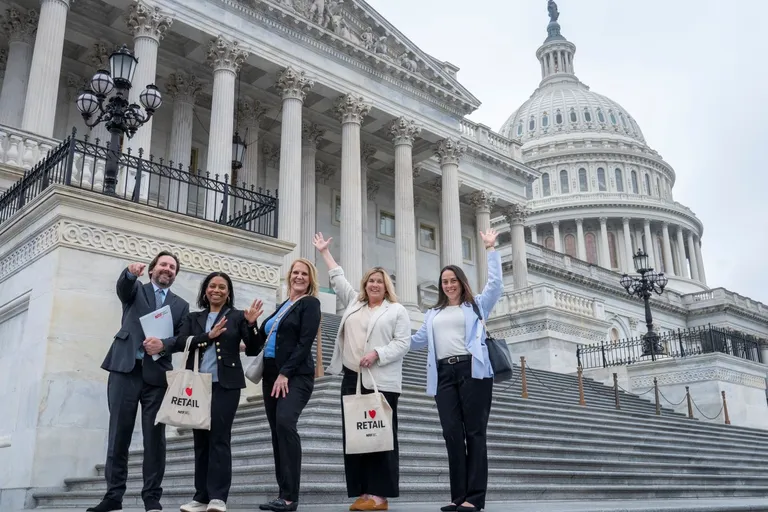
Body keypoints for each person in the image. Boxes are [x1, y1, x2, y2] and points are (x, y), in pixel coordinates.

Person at [313, 233, 411, 512]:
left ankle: (380, 496)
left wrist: (377, 354)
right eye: (370, 281)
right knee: (357, 437)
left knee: (381, 437)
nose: (374, 285)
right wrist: (324, 252)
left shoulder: (397, 311)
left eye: (379, 281)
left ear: (386, 286)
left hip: (382, 381)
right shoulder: (355, 303)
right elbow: (337, 278)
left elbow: (403, 343)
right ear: (365, 285)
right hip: (351, 378)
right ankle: (364, 493)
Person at [88, 251, 190, 512]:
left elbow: (181, 339)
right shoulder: (135, 290)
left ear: (175, 274)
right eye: (163, 265)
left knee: (155, 440)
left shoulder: (181, 305)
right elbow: (123, 288)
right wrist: (129, 273)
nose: (168, 269)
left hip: (156, 377)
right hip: (125, 370)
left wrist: (163, 345)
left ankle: (152, 498)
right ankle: (113, 496)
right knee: (118, 435)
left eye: (172, 267)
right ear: (153, 268)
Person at [410, 229, 502, 512]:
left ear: (461, 283)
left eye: (453, 281)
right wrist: (383, 344)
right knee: (451, 433)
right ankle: (457, 495)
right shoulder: (432, 314)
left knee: (475, 433)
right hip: (444, 376)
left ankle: (474, 499)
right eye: (444, 282)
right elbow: (416, 342)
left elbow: (495, 285)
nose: (448, 285)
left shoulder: (475, 306)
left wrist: (490, 249)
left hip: (473, 372)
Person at [173, 272, 265, 512]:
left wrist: (252, 324)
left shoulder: (237, 317)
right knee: (200, 441)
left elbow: (254, 349)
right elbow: (181, 341)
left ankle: (218, 498)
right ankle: (201, 496)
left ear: (228, 291)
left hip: (226, 385)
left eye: (222, 287)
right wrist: (207, 337)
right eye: (212, 286)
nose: (217, 290)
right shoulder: (194, 318)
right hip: (197, 386)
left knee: (219, 438)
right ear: (205, 291)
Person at [247, 258, 322, 512]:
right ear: (289, 276)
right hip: (270, 376)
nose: (299, 277)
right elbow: (257, 344)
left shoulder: (310, 304)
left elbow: (304, 342)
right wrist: (251, 323)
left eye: (304, 273)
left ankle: (290, 496)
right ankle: (282, 494)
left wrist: (286, 373)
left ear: (310, 279)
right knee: (277, 431)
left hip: (295, 376)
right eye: (295, 273)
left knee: (285, 423)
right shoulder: (281, 307)